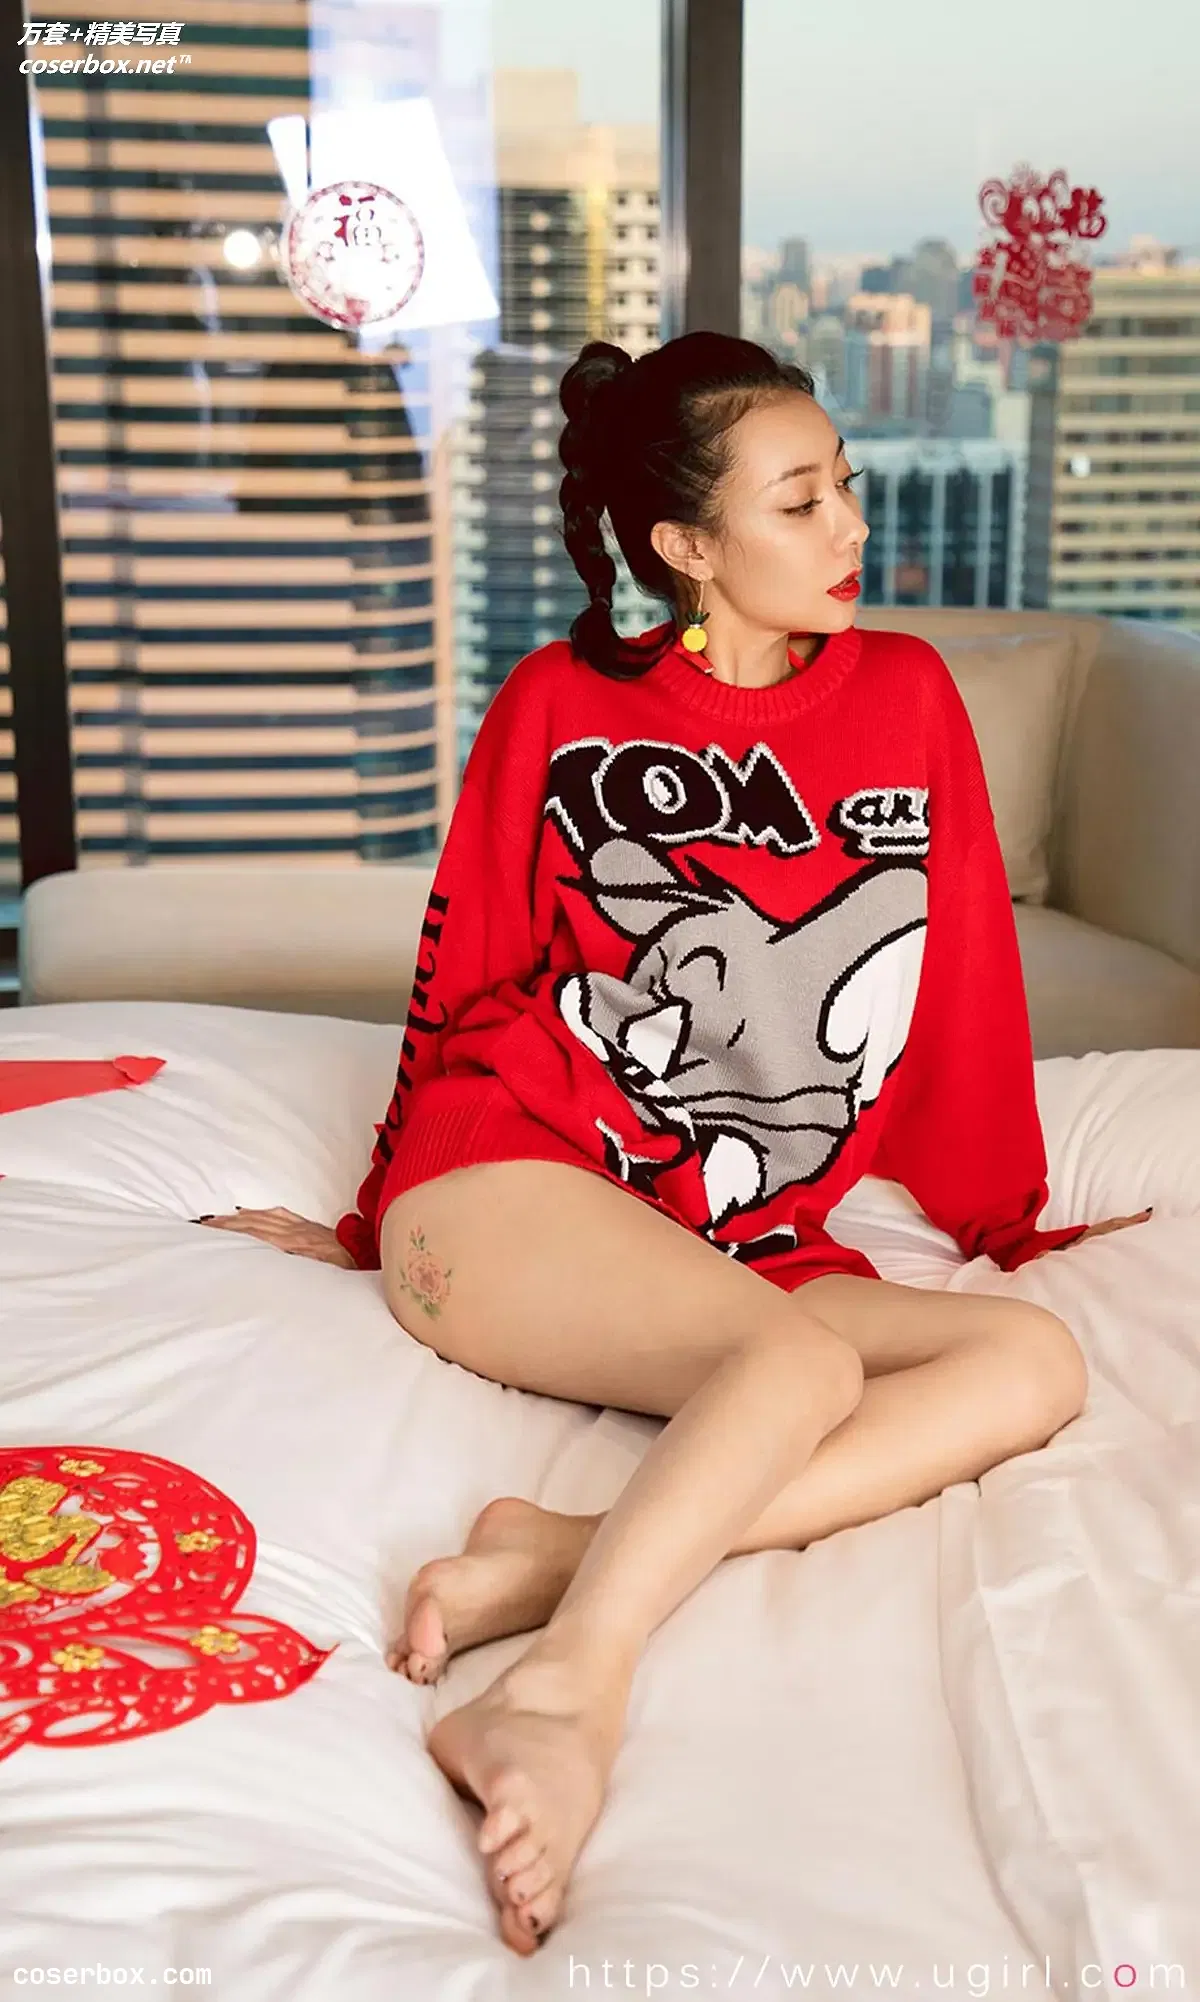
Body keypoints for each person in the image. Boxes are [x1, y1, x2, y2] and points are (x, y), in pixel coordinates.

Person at [194, 332, 1151, 1958]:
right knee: (796, 1369)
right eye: (801, 499)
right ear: (686, 545)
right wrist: (367, 1222)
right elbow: (460, 967)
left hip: (738, 1228)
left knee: (1029, 1363)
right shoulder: (559, 704)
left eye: (846, 483)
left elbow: (964, 973)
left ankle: (555, 1561)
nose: (850, 524)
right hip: (509, 1176)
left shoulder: (908, 697)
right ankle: (567, 1688)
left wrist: (1004, 1207)